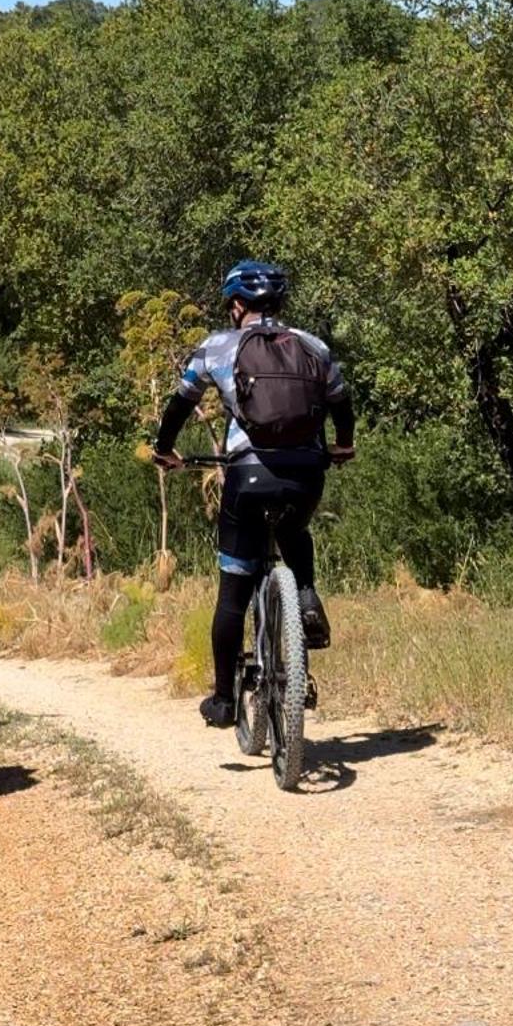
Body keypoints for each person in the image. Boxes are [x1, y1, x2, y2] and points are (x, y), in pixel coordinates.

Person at [153, 260, 355, 729]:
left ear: (237, 305)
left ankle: (224, 700)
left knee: (232, 593)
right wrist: (342, 445)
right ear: (278, 305)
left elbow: (181, 403)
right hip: (305, 474)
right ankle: (304, 593)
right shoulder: (314, 346)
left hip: (247, 475)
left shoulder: (218, 347)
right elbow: (342, 403)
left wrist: (165, 449)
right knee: (294, 528)